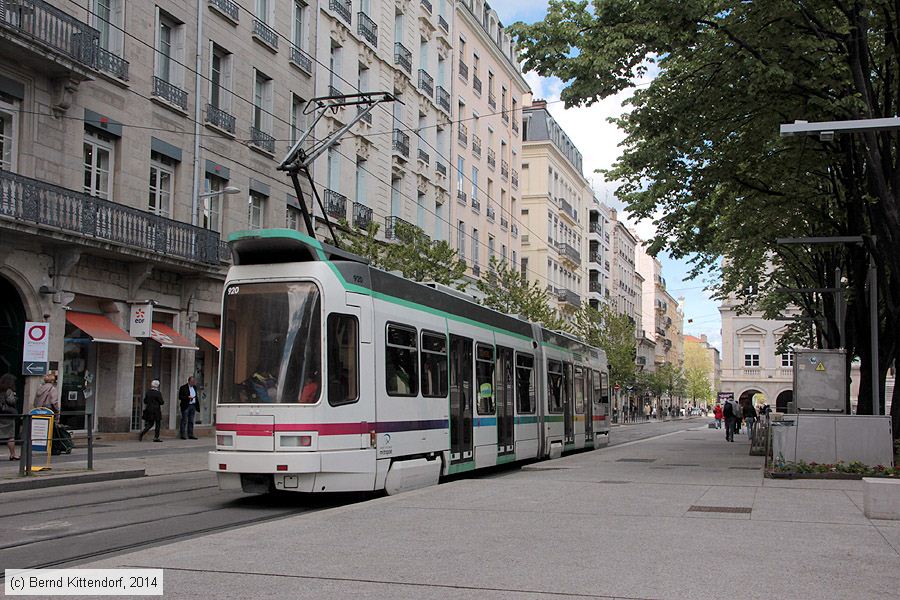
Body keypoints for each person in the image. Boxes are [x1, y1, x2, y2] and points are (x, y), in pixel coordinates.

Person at [0, 374, 20, 460]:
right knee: (10, 436)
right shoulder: (9, 391)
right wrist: (15, 398)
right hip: (7, 415)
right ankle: (13, 454)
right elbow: (11, 401)